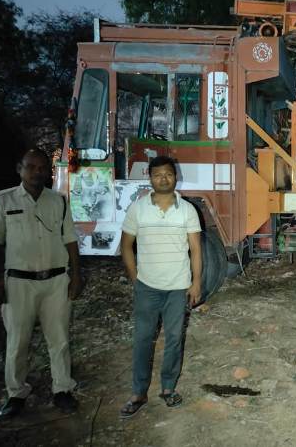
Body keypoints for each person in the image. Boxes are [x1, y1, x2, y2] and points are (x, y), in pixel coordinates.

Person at [0, 149, 82, 421]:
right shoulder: (3, 200)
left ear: (48, 171)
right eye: (31, 167)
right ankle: (16, 393)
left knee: (59, 339)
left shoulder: (59, 201)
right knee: (17, 341)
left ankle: (62, 389)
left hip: (56, 282)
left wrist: (76, 276)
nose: (37, 172)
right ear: (20, 168)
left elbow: (70, 239)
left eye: (42, 168)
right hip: (18, 283)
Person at [119, 155, 202, 419]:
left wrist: (196, 282)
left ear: (176, 176)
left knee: (174, 339)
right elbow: (126, 246)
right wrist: (136, 279)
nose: (163, 179)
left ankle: (168, 388)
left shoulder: (187, 210)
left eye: (168, 174)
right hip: (147, 287)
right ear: (150, 178)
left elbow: (196, 250)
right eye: (157, 175)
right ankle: (138, 392)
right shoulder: (138, 209)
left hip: (178, 287)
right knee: (143, 339)